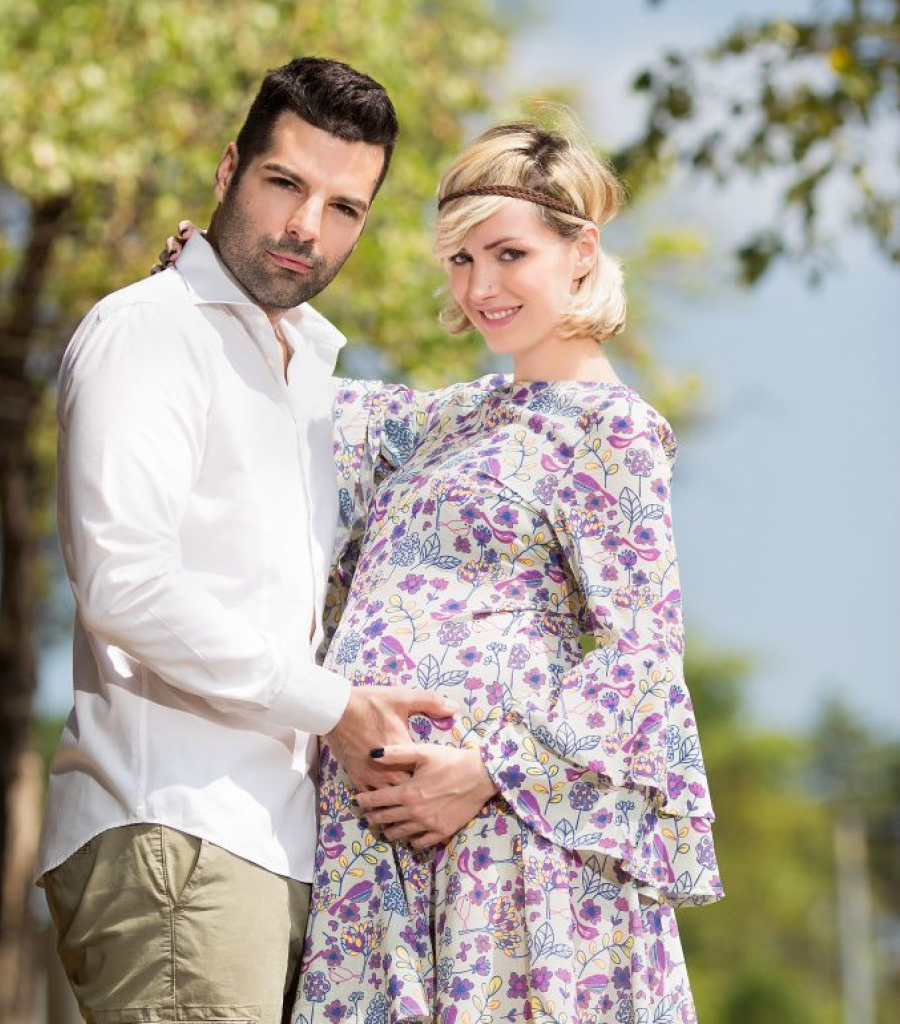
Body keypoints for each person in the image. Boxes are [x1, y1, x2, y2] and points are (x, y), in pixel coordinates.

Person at [37, 57, 455, 1024]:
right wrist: (335, 707)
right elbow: (125, 582)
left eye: (344, 208)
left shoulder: (306, 369)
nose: (308, 226)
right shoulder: (151, 331)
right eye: (285, 184)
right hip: (177, 832)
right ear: (229, 170)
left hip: (275, 850)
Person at [290, 120, 724, 1024]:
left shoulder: (612, 430)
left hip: (511, 852)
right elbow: (284, 394)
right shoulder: (441, 420)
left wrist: (489, 772)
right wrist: (207, 281)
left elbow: (642, 661)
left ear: (581, 252)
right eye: (460, 259)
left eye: (509, 254)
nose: (480, 287)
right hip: (377, 857)